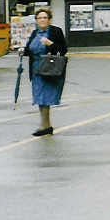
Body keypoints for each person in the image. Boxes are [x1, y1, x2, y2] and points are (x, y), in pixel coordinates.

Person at [21, 8, 67, 136]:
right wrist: (22, 50)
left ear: (49, 19)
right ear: (36, 20)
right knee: (40, 99)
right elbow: (30, 49)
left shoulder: (55, 31)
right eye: (40, 18)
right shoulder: (35, 33)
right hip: (36, 70)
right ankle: (46, 126)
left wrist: (50, 43)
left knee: (45, 99)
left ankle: (44, 126)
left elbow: (63, 50)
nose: (42, 20)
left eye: (45, 17)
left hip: (49, 69)